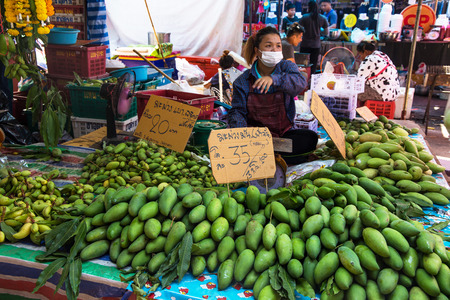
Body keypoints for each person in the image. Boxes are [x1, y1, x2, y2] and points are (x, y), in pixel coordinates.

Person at [228, 27, 318, 165]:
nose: (275, 50)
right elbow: (237, 112)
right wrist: (242, 138)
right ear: (258, 51)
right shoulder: (243, 81)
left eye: (278, 46)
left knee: (310, 138)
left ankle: (268, 155)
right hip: (256, 137)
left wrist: (275, 79)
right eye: (268, 46)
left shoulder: (286, 67)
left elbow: (300, 83)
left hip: (282, 135)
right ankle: (273, 156)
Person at [299, 0, 329, 75]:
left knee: (302, 64)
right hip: (316, 45)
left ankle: (303, 79)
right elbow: (326, 33)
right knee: (313, 65)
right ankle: (311, 80)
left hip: (304, 44)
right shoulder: (322, 18)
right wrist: (318, 32)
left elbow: (299, 30)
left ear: (309, 7)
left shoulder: (304, 17)